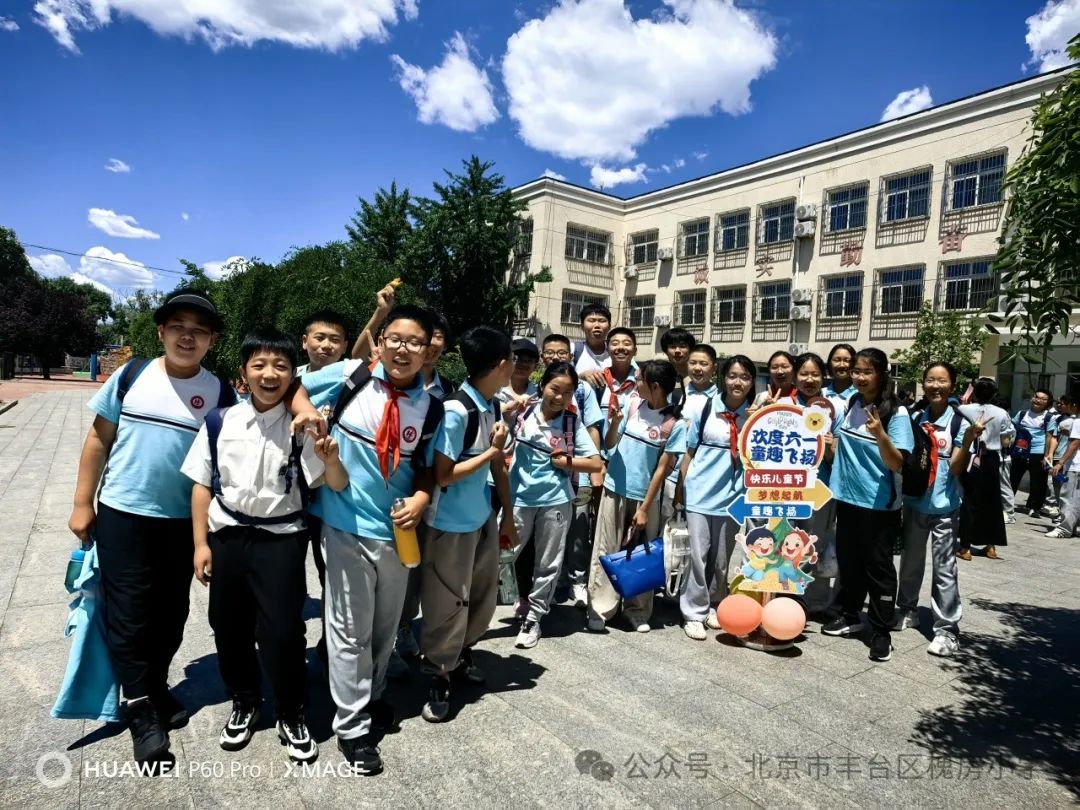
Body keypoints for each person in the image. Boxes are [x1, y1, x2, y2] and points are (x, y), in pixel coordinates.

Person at [67, 289, 234, 766]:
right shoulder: (132, 374)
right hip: (124, 513)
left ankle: (155, 686)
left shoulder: (220, 394)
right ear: (161, 331)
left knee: (171, 611)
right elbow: (98, 441)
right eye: (178, 325)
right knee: (130, 611)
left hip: (182, 522)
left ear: (211, 340)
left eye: (199, 329)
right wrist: (82, 503)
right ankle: (140, 706)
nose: (188, 335)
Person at [181, 328, 349, 762]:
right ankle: (245, 700)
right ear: (243, 374)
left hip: (281, 539)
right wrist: (200, 544)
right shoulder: (221, 421)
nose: (269, 374)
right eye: (259, 365)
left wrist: (330, 458)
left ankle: (292, 711)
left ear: (293, 376)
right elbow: (202, 483)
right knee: (227, 623)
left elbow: (335, 482)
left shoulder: (303, 428)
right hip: (228, 536)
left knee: (282, 630)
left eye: (280, 366)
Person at [294, 304, 445, 775]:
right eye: (394, 339)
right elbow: (296, 388)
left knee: (384, 629)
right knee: (348, 629)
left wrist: (421, 499)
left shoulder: (432, 405)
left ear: (427, 352)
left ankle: (373, 694)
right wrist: (308, 417)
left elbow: (425, 470)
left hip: (397, 534)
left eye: (414, 342)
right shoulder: (352, 375)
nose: (403, 349)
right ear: (380, 343)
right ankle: (353, 726)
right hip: (344, 524)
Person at [419, 326, 516, 723]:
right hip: (449, 523)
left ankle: (460, 654)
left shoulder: (490, 404)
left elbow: (497, 466)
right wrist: (492, 450)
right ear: (502, 365)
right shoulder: (458, 410)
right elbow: (443, 473)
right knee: (446, 602)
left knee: (481, 596)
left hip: (481, 518)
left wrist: (507, 514)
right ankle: (438, 673)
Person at [823, 348, 914, 663]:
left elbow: (898, 462)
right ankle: (850, 615)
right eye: (856, 371)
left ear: (882, 375)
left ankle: (881, 631)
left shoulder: (895, 414)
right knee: (850, 563)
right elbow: (843, 449)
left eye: (867, 372)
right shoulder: (853, 403)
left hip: (879, 505)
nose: (859, 377)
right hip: (847, 498)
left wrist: (881, 436)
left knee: (879, 569)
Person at [506, 362, 603, 649]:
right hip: (518, 497)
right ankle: (485, 608)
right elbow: (496, 432)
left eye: (568, 392)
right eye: (554, 389)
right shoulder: (523, 411)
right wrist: (507, 414)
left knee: (548, 562)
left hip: (556, 500)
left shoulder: (572, 423)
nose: (559, 397)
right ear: (543, 385)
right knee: (503, 554)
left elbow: (596, 462)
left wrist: (568, 462)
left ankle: (533, 618)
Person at [588, 359, 687, 633]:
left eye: (639, 379)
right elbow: (609, 444)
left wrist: (644, 508)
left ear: (654, 386)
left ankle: (637, 611)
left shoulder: (674, 424)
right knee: (606, 549)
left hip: (646, 499)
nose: (635, 382)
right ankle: (600, 608)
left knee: (641, 553)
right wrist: (615, 422)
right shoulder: (631, 405)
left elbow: (662, 470)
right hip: (614, 489)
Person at [894, 363, 970, 657]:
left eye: (942, 381)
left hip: (945, 508)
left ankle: (947, 630)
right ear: (923, 384)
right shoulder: (914, 418)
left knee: (944, 569)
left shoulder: (959, 423)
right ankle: (907, 610)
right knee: (911, 563)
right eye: (930, 380)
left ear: (952, 386)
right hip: (914, 504)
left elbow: (956, 468)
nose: (935, 386)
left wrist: (971, 440)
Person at [678, 355, 756, 640]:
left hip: (734, 495)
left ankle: (713, 602)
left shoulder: (755, 414)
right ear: (723, 378)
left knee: (722, 558)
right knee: (698, 555)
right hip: (700, 490)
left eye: (745, 377)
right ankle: (693, 612)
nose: (738, 382)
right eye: (733, 376)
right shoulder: (707, 406)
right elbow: (690, 449)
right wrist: (681, 487)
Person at [791, 352, 839, 616]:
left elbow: (833, 456)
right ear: (795, 375)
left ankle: (807, 601)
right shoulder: (783, 404)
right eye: (804, 374)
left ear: (823, 376)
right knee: (785, 541)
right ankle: (784, 594)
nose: (809, 379)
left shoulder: (832, 408)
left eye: (815, 374)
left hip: (819, 488)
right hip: (786, 489)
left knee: (812, 544)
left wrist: (829, 444)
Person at [351, 283, 456, 398]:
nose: (430, 342)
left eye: (437, 336)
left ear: (446, 344)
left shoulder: (448, 389)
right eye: (417, 340)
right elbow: (358, 358)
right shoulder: (387, 370)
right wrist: (380, 312)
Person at [956, 378, 1012, 560]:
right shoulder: (1002, 412)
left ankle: (965, 547)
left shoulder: (963, 409)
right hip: (992, 458)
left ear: (975, 392)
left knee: (969, 500)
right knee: (992, 501)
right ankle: (990, 546)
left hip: (971, 456)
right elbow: (1006, 438)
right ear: (995, 394)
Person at [1010, 389, 1058, 517]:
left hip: (1038, 452)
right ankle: (1007, 503)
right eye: (1037, 397)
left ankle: (1034, 507)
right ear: (1032, 398)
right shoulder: (1022, 414)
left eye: (1043, 399)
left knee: (1038, 481)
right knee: (1012, 478)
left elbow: (1049, 436)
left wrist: (1047, 455)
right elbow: (1012, 430)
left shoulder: (1049, 417)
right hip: (1020, 451)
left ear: (1048, 403)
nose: (1038, 400)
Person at [1045, 395, 1076, 518]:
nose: (1059, 405)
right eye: (1058, 403)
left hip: (1072, 461)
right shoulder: (1060, 419)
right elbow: (1054, 437)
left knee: (1070, 490)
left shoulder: (1075, 421)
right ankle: (1061, 513)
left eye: (1062, 403)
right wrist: (1050, 454)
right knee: (1058, 487)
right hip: (1059, 459)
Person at [298, 310, 349, 375]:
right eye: (319, 338)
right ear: (305, 341)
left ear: (344, 347)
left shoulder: (352, 381)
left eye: (335, 340)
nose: (326, 345)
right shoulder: (291, 378)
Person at [573, 302, 612, 386]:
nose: (597, 325)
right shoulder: (572, 350)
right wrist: (580, 376)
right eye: (591, 320)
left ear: (609, 326)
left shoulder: (616, 352)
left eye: (602, 321)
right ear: (582, 326)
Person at [823, 343, 857, 411]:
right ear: (829, 363)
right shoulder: (821, 394)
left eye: (847, 360)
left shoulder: (860, 395)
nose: (842, 365)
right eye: (837, 360)